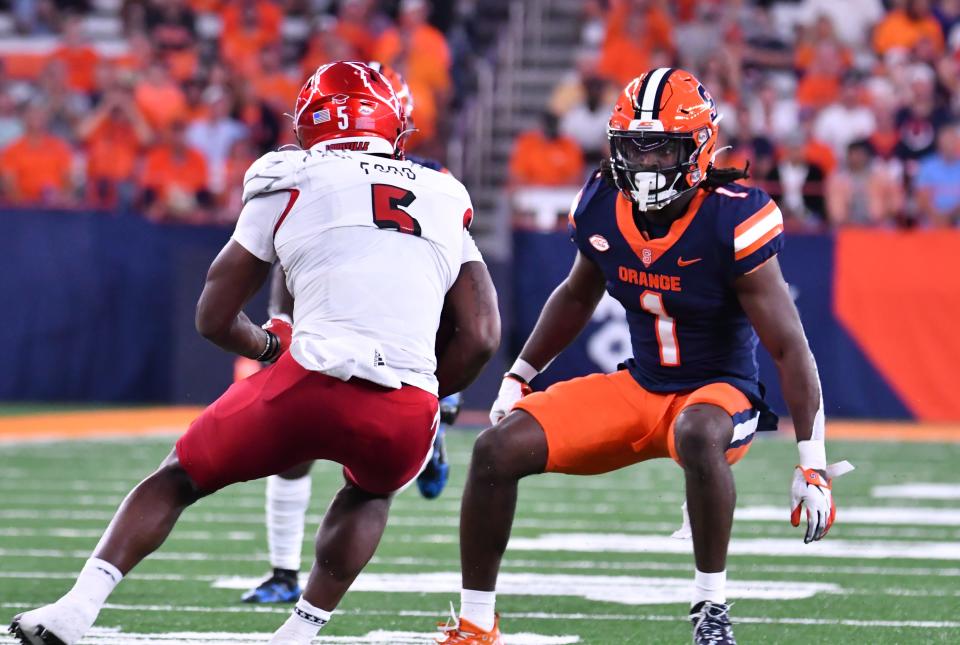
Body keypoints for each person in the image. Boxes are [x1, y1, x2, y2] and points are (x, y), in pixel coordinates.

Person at [9, 60, 500, 645]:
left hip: (309, 382)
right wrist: (429, 389)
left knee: (176, 479)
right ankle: (299, 632)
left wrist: (270, 347)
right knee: (370, 492)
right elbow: (482, 337)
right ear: (394, 125)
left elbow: (213, 317)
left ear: (307, 126)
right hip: (405, 406)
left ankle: (74, 612)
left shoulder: (290, 177)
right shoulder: (445, 194)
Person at [437, 68, 852, 645]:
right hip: (642, 387)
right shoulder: (604, 199)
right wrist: (518, 377)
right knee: (494, 451)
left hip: (720, 392)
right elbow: (576, 294)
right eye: (633, 146)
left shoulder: (733, 214)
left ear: (699, 148)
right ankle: (478, 622)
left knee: (699, 431)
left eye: (661, 149)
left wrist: (812, 460)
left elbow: (789, 346)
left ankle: (711, 609)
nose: (644, 163)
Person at [239, 60, 474, 605]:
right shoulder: (310, 173)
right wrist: (284, 328)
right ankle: (282, 571)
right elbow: (287, 261)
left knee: (370, 461)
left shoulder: (436, 185)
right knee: (291, 448)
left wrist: (439, 373)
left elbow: (458, 286)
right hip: (331, 316)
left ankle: (434, 423)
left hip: (406, 330)